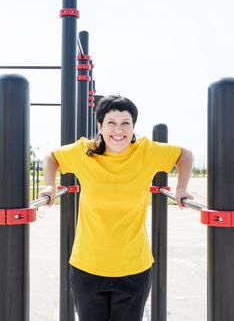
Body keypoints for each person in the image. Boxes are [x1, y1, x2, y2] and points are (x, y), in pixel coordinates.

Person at [39, 94, 193, 321]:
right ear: (100, 125)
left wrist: (181, 189)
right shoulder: (84, 151)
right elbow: (51, 157)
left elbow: (184, 155)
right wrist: (50, 186)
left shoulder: (146, 151)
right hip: (87, 266)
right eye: (111, 122)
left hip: (133, 268)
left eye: (125, 123)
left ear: (133, 127)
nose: (118, 130)